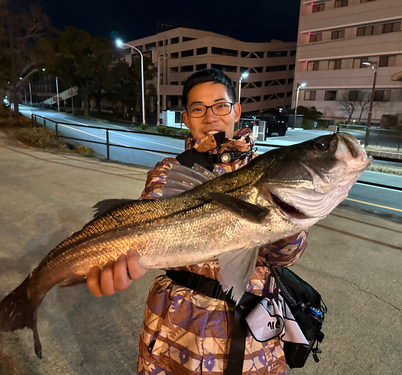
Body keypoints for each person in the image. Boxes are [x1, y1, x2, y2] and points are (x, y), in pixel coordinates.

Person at [87, 68, 308, 374]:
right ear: (186, 118)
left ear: (236, 111)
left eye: (220, 105)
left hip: (251, 340)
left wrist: (283, 218)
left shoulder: (266, 169)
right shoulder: (170, 169)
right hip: (177, 331)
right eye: (198, 108)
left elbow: (288, 256)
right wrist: (121, 253)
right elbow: (148, 218)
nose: (210, 116)